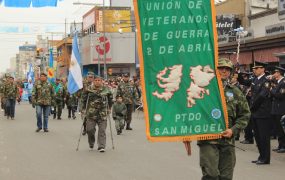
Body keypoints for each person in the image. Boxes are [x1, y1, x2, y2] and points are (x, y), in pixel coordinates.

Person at [198, 58, 250, 180]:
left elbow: (245, 114)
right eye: (221, 68)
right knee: (211, 175)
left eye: (227, 69)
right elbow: (191, 111)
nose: (224, 71)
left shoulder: (236, 92)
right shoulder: (204, 90)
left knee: (226, 177)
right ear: (215, 70)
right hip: (208, 139)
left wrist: (233, 130)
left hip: (228, 141)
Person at [238, 61, 272, 165]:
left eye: (257, 68)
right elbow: (243, 82)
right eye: (254, 68)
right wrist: (238, 72)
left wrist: (251, 108)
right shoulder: (254, 80)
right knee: (257, 136)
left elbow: (262, 96)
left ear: (262, 69)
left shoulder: (266, 81)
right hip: (255, 112)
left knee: (264, 137)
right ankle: (261, 156)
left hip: (262, 113)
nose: (254, 70)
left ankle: (265, 158)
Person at [81, 75, 112, 152]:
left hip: (102, 113)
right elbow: (83, 99)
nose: (97, 82)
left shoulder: (106, 90)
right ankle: (91, 143)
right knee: (89, 130)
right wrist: (83, 109)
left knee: (102, 130)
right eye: (96, 80)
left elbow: (110, 99)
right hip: (91, 114)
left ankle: (101, 146)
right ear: (93, 81)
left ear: (101, 81)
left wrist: (109, 108)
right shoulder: (88, 89)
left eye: (99, 80)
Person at [270, 66, 285, 153]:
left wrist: (272, 90)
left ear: (279, 73)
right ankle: (280, 145)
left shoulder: (283, 83)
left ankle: (283, 146)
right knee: (278, 128)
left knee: (281, 128)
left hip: (281, 108)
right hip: (276, 108)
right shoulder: (278, 82)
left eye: (275, 72)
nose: (273, 74)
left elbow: (279, 95)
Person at [80, 71, 95, 136]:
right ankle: (85, 128)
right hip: (84, 102)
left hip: (93, 103)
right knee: (84, 117)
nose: (90, 78)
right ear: (87, 77)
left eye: (91, 77)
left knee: (92, 117)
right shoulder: (83, 83)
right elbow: (79, 91)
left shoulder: (95, 83)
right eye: (89, 77)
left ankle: (91, 129)